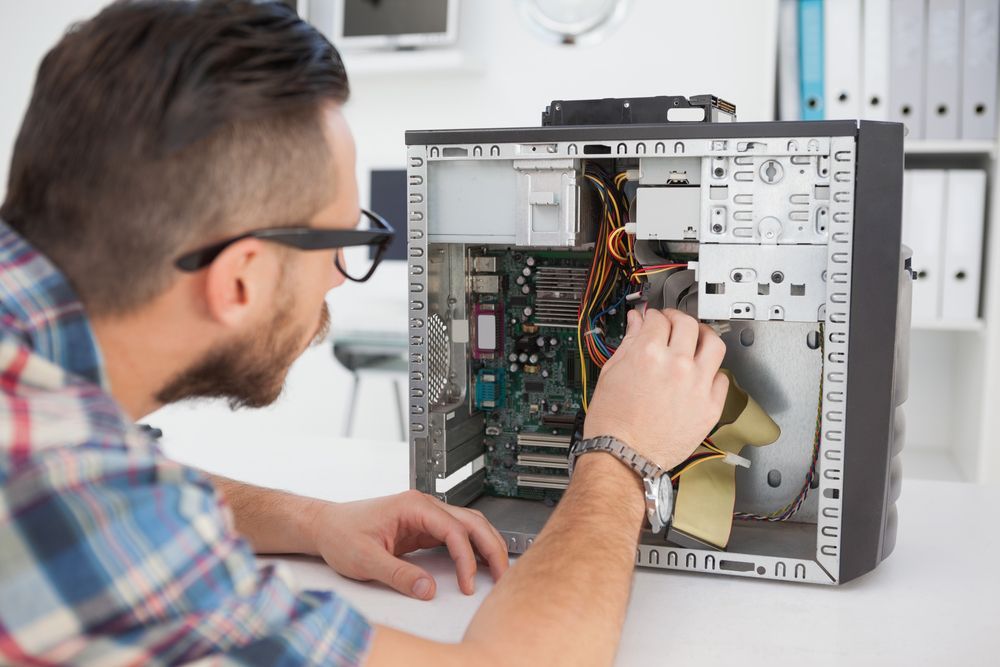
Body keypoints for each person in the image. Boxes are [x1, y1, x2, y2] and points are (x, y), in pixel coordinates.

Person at [0, 1, 728, 664]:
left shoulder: (39, 388)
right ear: (241, 280)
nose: (339, 281)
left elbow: (126, 477)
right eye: (344, 244)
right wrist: (621, 455)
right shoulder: (73, 497)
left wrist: (312, 520)